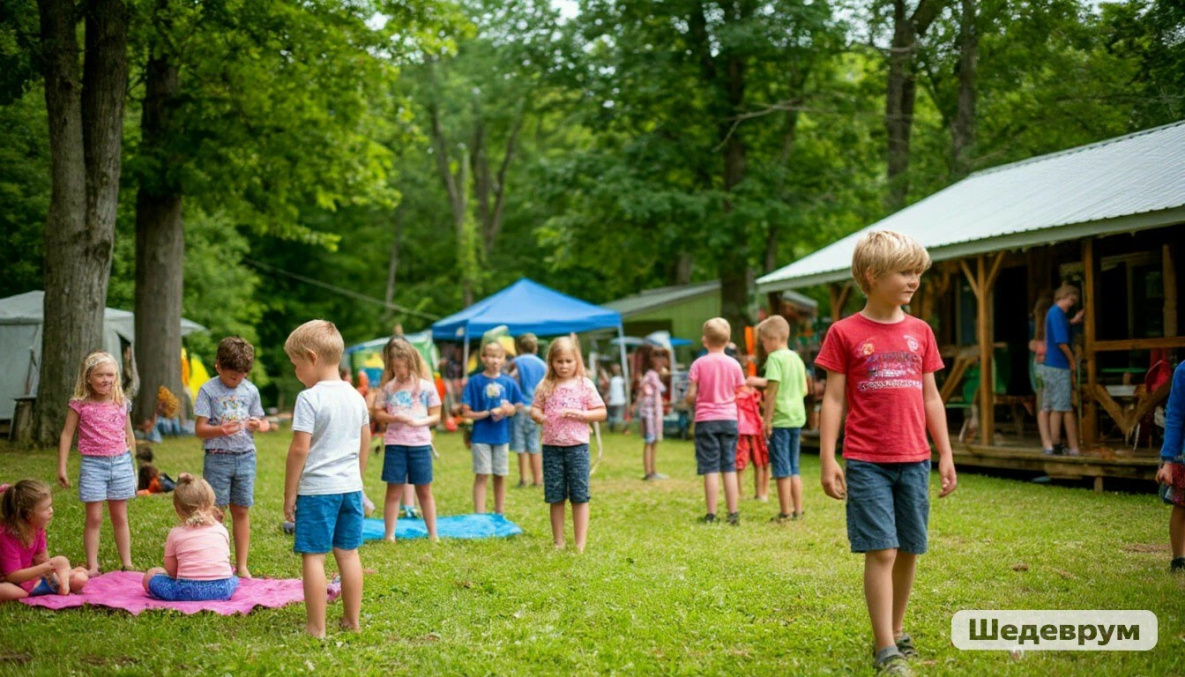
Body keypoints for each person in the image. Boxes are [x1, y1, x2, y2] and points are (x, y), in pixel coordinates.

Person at [815, 230, 957, 676]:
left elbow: (931, 396)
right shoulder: (844, 332)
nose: (915, 280)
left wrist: (946, 454)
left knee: (910, 547)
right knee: (882, 550)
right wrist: (827, 458)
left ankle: (896, 630)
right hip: (867, 460)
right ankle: (884, 648)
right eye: (905, 272)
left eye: (918, 271)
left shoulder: (921, 332)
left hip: (914, 458)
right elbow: (833, 399)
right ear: (872, 276)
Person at [283, 320, 370, 637]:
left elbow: (298, 450)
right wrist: (357, 482)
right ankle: (351, 621)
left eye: (295, 365)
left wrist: (289, 494)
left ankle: (316, 627)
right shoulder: (356, 396)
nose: (296, 372)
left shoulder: (309, 398)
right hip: (350, 489)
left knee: (315, 558)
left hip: (318, 492)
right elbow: (365, 443)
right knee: (348, 554)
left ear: (311, 357)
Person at [194, 337, 270, 579]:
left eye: (242, 376)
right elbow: (199, 429)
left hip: (246, 457)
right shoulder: (208, 390)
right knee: (215, 511)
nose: (237, 381)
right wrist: (220, 430)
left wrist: (260, 425)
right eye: (232, 377)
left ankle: (242, 564)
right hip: (218, 458)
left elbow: (263, 421)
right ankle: (215, 562)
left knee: (241, 510)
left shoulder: (250, 390)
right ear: (218, 366)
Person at [57, 350, 137, 575]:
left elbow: (128, 434)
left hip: (120, 463)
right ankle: (93, 565)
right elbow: (66, 435)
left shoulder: (122, 402)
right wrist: (62, 467)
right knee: (94, 516)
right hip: (93, 465)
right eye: (101, 375)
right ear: (88, 378)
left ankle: (127, 563)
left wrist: (133, 464)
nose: (106, 380)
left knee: (120, 516)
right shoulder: (79, 404)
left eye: (111, 375)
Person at [530, 337, 606, 553]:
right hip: (552, 447)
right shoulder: (545, 386)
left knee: (579, 495)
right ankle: (558, 542)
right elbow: (534, 408)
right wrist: (539, 416)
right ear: (551, 362)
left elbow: (601, 412)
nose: (563, 366)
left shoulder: (585, 385)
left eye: (568, 361)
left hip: (577, 447)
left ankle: (579, 543)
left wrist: (582, 414)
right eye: (559, 361)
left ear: (576, 361)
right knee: (555, 496)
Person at [373, 337, 441, 542]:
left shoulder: (427, 387)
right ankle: (389, 534)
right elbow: (378, 412)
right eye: (396, 367)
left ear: (412, 363)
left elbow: (437, 414)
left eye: (404, 366)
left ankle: (433, 534)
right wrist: (394, 418)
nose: (400, 371)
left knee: (424, 489)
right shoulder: (387, 388)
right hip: (395, 443)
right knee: (393, 489)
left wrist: (421, 422)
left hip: (419, 443)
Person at [684, 318, 746, 525]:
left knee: (710, 467)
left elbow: (691, 395)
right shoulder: (734, 364)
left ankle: (711, 514)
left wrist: (690, 398)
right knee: (728, 466)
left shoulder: (698, 364)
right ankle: (733, 513)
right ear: (728, 340)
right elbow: (740, 390)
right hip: (729, 419)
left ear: (704, 340)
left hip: (706, 420)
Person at [748, 315, 809, 522]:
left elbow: (771, 393)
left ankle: (785, 512)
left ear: (773, 338)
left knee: (782, 469)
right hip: (797, 418)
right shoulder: (796, 358)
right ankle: (798, 510)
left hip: (781, 421)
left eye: (763, 341)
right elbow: (804, 390)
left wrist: (766, 421)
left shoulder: (774, 359)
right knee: (794, 467)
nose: (763, 346)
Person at [141, 473, 238, 601]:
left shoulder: (176, 533)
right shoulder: (221, 529)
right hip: (223, 590)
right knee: (234, 577)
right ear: (211, 502)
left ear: (177, 509)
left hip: (187, 592)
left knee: (150, 577)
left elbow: (172, 571)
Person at [0, 479, 88, 602]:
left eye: (50, 506)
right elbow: (13, 576)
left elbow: (43, 559)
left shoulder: (37, 529)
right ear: (28, 514)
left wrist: (53, 570)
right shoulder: (7, 536)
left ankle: (63, 583)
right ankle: (60, 584)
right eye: (46, 508)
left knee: (63, 562)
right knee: (9, 591)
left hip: (30, 577)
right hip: (10, 580)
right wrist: (44, 568)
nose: (51, 511)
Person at [461, 341, 523, 515]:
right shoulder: (474, 382)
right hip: (481, 436)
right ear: (483, 358)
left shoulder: (509, 382)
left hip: (502, 436)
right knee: (482, 474)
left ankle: (499, 512)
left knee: (500, 474)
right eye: (491, 356)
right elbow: (466, 412)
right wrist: (488, 413)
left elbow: (516, 407)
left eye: (498, 357)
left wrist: (507, 410)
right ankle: (479, 514)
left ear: (504, 359)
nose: (495, 360)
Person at [1043, 284, 1084, 456]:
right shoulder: (1057, 313)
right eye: (1071, 300)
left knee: (1057, 406)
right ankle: (1057, 443)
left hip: (1051, 365)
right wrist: (1072, 361)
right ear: (1065, 297)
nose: (1071, 305)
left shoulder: (1054, 313)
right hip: (1059, 365)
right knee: (1060, 406)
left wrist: (1072, 321)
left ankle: (1059, 444)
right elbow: (1061, 342)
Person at [510, 334, 547, 488]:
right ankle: (538, 479)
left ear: (518, 348)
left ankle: (524, 478)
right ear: (536, 348)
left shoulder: (516, 362)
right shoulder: (543, 364)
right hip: (536, 408)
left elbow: (511, 380)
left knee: (520, 444)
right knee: (534, 444)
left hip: (520, 407)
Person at [1158, 360, 1185, 573]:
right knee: (1182, 506)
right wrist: (1168, 461)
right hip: (1183, 456)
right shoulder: (1183, 371)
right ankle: (1179, 559)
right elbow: (1174, 415)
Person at [636, 344, 668, 481]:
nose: (662, 363)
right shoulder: (652, 375)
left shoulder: (650, 375)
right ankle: (648, 472)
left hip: (653, 415)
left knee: (653, 442)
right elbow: (661, 388)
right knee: (649, 442)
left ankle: (652, 471)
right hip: (650, 416)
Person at [1028, 295, 1053, 453]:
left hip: (1037, 369)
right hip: (1044, 369)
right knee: (1045, 405)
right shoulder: (1041, 327)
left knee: (1043, 404)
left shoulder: (1035, 327)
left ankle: (1047, 442)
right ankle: (1048, 442)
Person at [606, 363, 627, 433]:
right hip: (620, 401)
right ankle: (623, 428)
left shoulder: (612, 380)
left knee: (613, 416)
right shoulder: (621, 380)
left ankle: (613, 428)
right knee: (619, 417)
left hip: (614, 401)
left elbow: (609, 391)